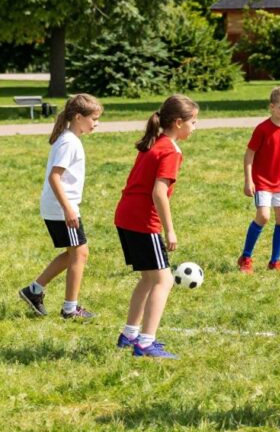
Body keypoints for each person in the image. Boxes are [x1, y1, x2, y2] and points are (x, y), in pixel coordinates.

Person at [114, 95, 199, 359]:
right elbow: (158, 193)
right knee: (164, 280)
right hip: (142, 221)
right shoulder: (170, 151)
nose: (195, 127)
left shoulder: (155, 142)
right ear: (178, 122)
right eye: (193, 122)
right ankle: (145, 343)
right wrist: (169, 229)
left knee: (149, 278)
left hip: (125, 216)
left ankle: (129, 335)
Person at [19, 94, 104, 320]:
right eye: (94, 119)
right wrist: (68, 209)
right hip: (61, 209)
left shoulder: (70, 139)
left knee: (73, 253)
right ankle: (70, 309)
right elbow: (54, 177)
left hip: (58, 207)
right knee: (80, 253)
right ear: (78, 117)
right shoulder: (69, 142)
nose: (96, 124)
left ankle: (34, 290)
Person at [238, 87, 280, 273]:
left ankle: (275, 261)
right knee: (264, 216)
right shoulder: (262, 129)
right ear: (272, 107)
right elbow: (249, 155)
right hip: (262, 181)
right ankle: (245, 257)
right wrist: (248, 180)